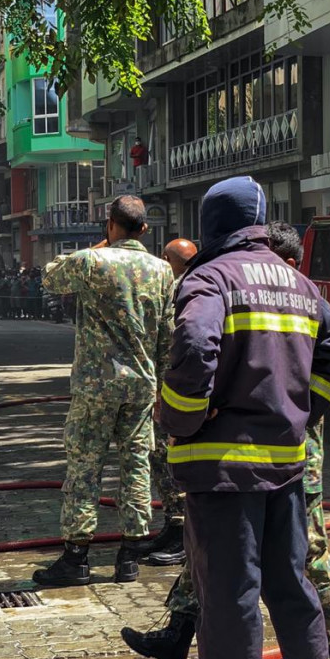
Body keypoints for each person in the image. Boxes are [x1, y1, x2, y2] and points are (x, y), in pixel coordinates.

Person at [121, 223, 330, 659]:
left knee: (306, 557)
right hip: (256, 449)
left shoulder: (292, 292)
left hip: (293, 450)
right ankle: (177, 632)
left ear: (288, 265)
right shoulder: (281, 291)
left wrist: (304, 411)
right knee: (215, 554)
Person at [155, 177, 330, 659]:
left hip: (223, 471)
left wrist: (180, 418)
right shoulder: (296, 281)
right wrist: (303, 410)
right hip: (286, 464)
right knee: (292, 583)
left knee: (230, 592)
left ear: (213, 224)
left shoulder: (210, 277)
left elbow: (194, 345)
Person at [31, 195, 175, 587]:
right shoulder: (163, 271)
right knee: (137, 466)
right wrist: (163, 387)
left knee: (85, 468)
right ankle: (129, 556)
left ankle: (76, 556)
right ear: (144, 229)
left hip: (97, 386)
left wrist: (98, 247)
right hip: (142, 387)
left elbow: (50, 275)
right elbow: (168, 335)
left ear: (109, 223)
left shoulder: (93, 262)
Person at [134, 237, 198, 566]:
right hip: (173, 389)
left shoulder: (183, 290)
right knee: (163, 460)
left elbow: (173, 343)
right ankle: (174, 526)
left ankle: (183, 533)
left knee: (169, 461)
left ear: (165, 259)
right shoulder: (190, 285)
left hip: (174, 393)